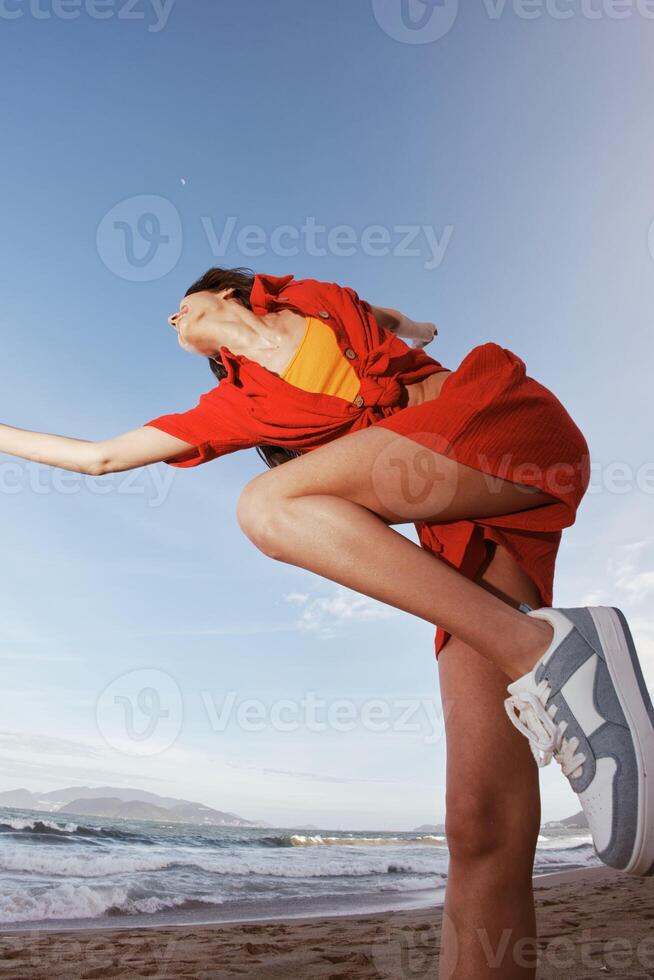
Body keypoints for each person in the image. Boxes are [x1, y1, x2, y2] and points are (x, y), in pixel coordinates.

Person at [2, 267, 652, 979]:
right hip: (470, 544)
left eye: (177, 305)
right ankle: (549, 659)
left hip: (504, 430)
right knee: (479, 824)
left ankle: (541, 651)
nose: (170, 321)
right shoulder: (236, 406)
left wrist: (412, 330)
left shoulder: (309, 297)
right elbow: (96, 457)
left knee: (267, 506)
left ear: (224, 292)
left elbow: (381, 312)